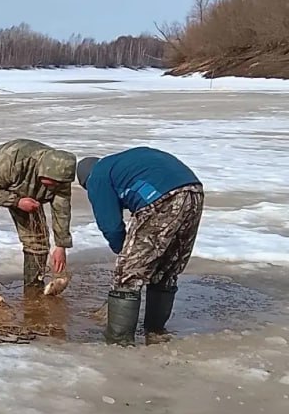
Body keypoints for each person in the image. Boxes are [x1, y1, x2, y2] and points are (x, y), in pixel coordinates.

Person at [76, 147, 204, 346]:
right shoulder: (121, 165)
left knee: (127, 275)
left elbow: (110, 225)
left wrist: (126, 254)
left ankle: (119, 343)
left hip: (163, 197)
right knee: (166, 270)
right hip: (194, 190)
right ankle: (155, 333)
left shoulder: (97, 176)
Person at [0, 139, 77, 292]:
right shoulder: (12, 160)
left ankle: (33, 286)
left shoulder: (62, 177)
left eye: (55, 185)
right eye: (49, 183)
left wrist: (61, 246)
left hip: (27, 190)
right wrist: (17, 202)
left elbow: (62, 211)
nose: (52, 187)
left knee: (37, 241)